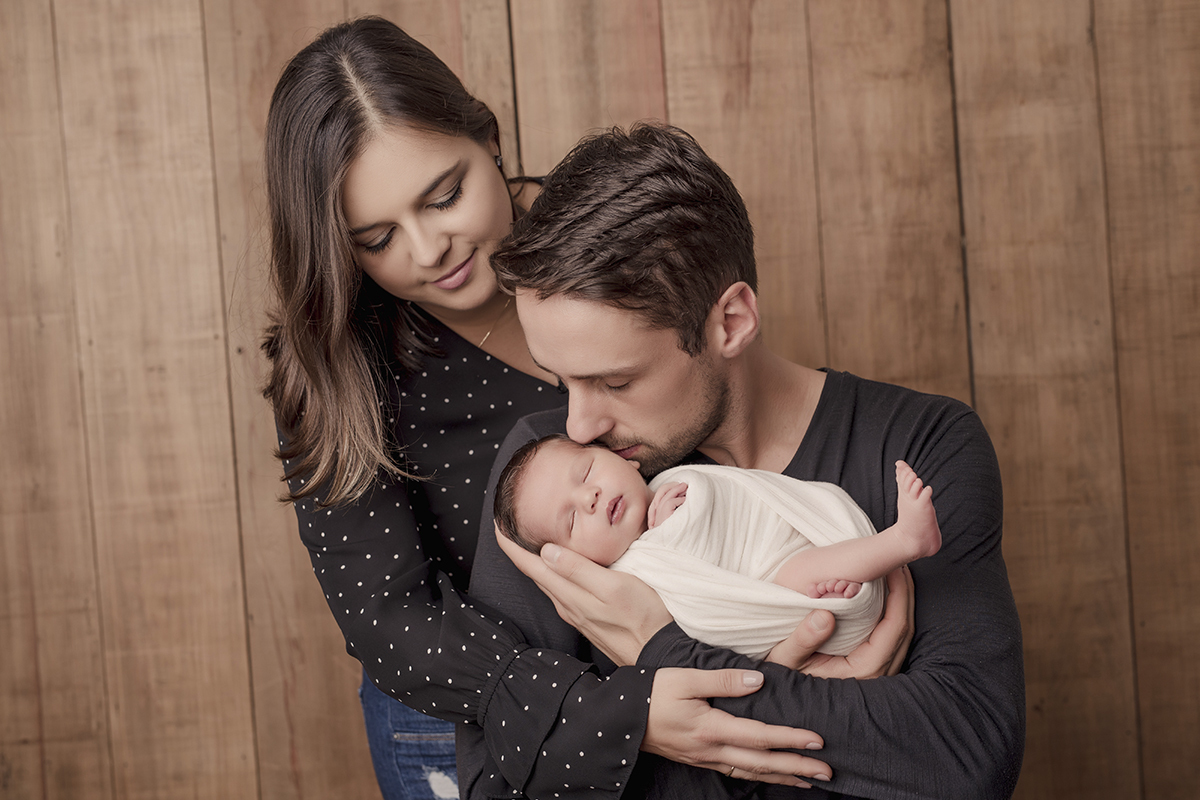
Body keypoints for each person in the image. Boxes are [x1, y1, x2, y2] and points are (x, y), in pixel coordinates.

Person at [262, 18, 840, 800]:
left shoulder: (605, 237)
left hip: (704, 645)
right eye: (376, 237)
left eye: (445, 196)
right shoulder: (337, 362)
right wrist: (609, 712)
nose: (429, 248)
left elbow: (740, 422)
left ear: (486, 137)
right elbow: (383, 615)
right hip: (473, 703)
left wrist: (824, 587)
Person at [463, 122, 1026, 798]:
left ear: (729, 322)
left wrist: (661, 654)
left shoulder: (922, 442)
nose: (580, 424)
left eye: (614, 382)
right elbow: (496, 783)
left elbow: (965, 759)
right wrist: (777, 706)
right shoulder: (551, 484)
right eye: (563, 379)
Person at [494, 434, 943, 659]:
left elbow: (749, 503)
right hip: (779, 599)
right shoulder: (627, 579)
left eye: (587, 471)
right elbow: (694, 607)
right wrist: (674, 533)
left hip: (781, 548)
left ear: (623, 458)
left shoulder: (675, 481)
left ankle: (841, 569)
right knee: (800, 572)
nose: (589, 497)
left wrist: (681, 512)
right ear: (572, 562)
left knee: (806, 555)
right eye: (571, 520)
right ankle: (904, 540)